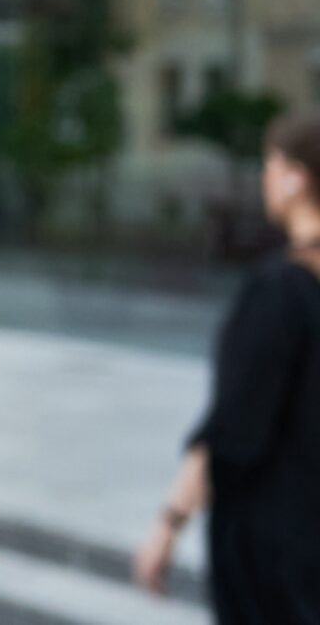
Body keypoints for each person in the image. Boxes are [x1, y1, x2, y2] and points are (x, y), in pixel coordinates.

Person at [135, 112, 320, 620]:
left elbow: (232, 428)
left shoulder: (279, 292)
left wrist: (169, 523)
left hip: (277, 547)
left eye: (270, 165)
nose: (265, 178)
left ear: (294, 178)